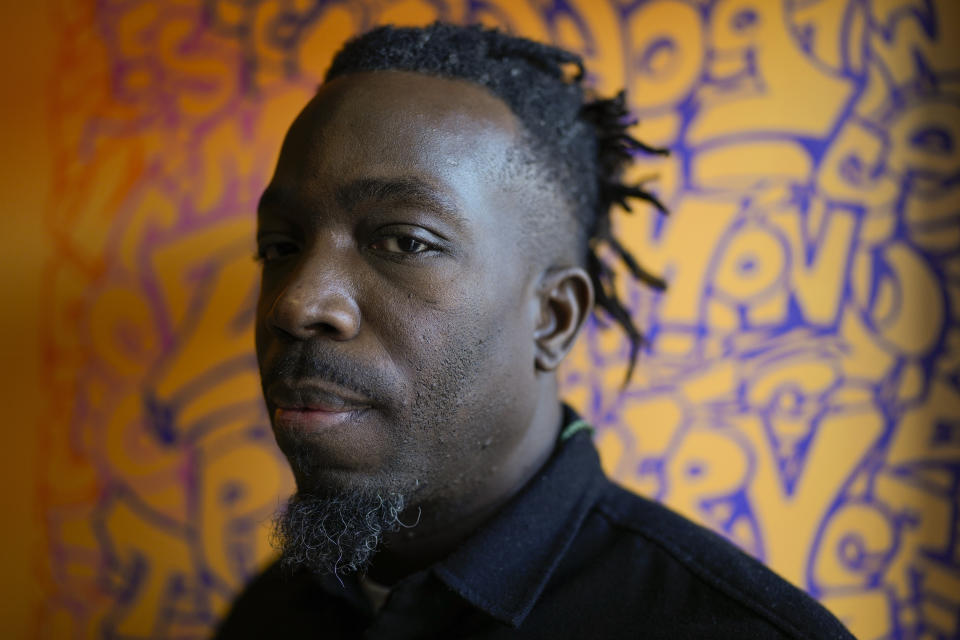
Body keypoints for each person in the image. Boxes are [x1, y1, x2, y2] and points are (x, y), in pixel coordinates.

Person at [214, 22, 854, 639]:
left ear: (553, 318)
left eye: (405, 240)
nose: (296, 303)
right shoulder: (268, 614)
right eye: (278, 246)